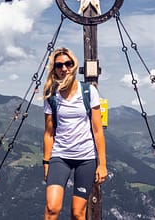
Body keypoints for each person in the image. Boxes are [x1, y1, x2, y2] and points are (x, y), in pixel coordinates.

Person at [42, 47, 107, 220]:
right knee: (51, 208)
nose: (64, 68)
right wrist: (46, 163)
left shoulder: (88, 91)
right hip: (60, 156)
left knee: (78, 213)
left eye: (68, 64)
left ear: (74, 65)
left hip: (86, 157)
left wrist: (102, 164)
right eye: (59, 65)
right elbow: (49, 133)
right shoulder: (51, 95)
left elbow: (97, 130)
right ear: (54, 69)